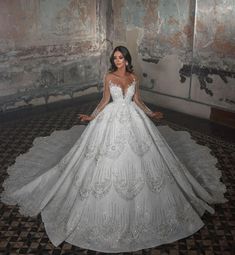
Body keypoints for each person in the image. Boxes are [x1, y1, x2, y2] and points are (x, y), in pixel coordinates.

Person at [1, 46, 227, 253]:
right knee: (103, 159)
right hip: (111, 119)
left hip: (135, 119)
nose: (118, 61)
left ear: (127, 60)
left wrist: (150, 114)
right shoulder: (109, 77)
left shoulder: (133, 77)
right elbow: (104, 100)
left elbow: (137, 100)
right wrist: (92, 116)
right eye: (115, 58)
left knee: (145, 158)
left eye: (121, 58)